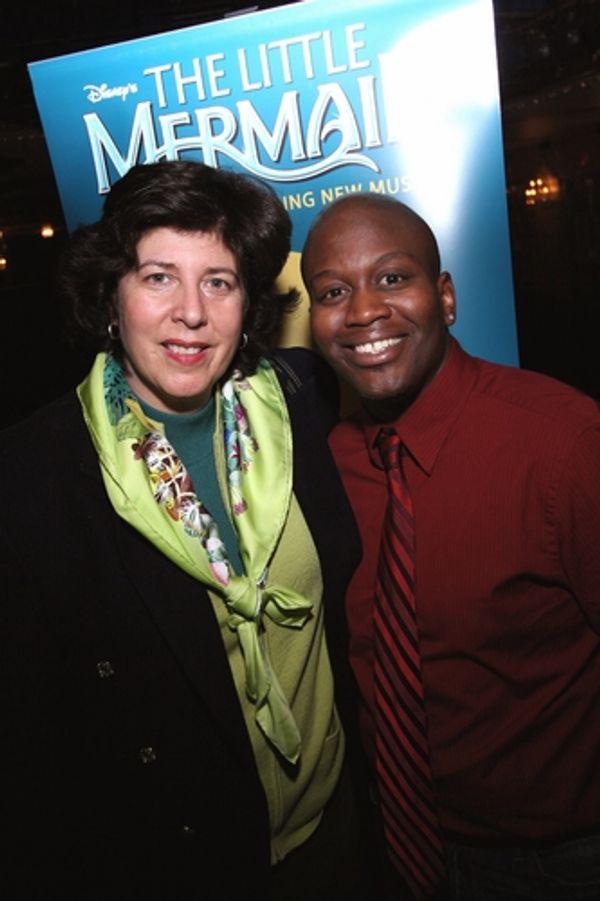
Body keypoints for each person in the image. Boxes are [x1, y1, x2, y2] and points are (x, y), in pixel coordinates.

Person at [0, 160, 367, 900]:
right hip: (180, 861)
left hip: (336, 831)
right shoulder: (33, 475)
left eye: (219, 281)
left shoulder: (300, 399)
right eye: (159, 276)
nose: (192, 313)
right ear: (112, 296)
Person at [301, 192, 600, 901]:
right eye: (333, 291)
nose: (364, 311)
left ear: (446, 297)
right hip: (394, 848)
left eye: (393, 277)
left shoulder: (563, 445)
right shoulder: (324, 466)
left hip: (559, 860)